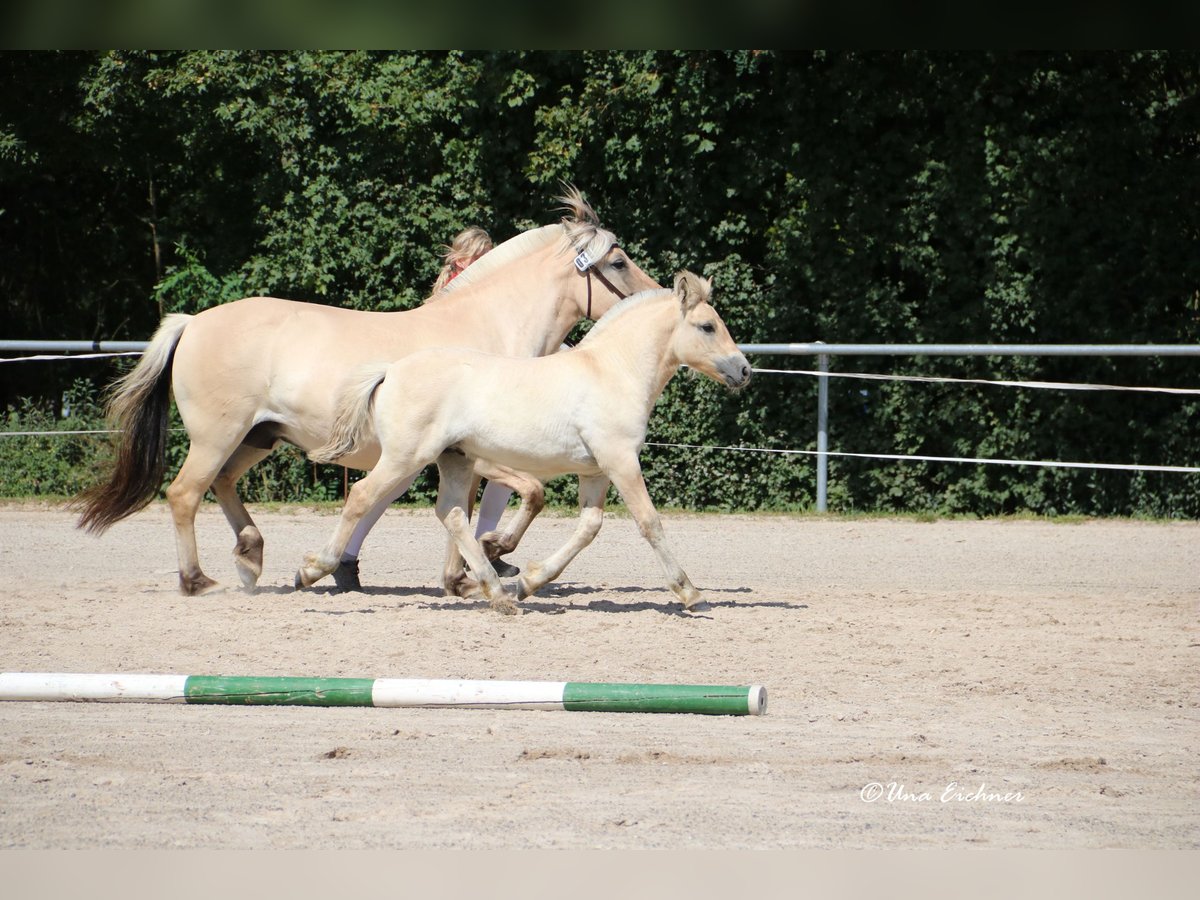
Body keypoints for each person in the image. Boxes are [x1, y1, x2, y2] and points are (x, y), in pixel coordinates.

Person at [333, 226, 519, 590]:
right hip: (435, 407)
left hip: (456, 408)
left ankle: (484, 549)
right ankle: (346, 554)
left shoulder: (474, 301)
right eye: (481, 258)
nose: (487, 266)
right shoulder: (454, 302)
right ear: (463, 259)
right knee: (396, 480)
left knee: (504, 472)